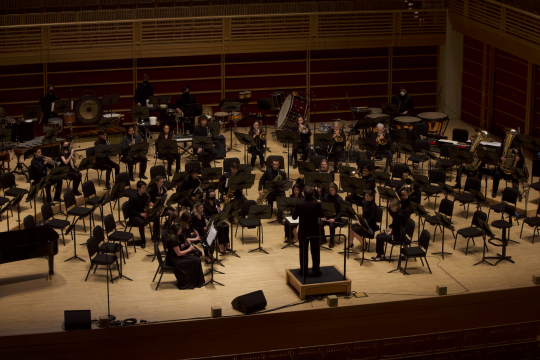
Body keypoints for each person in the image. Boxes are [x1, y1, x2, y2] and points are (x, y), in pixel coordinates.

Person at [292, 186, 326, 276]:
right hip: (314, 230)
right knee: (315, 251)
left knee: (303, 252)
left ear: (304, 194)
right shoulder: (317, 204)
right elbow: (322, 215)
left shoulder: (299, 204)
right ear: (312, 194)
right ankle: (316, 271)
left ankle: (303, 271)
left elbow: (294, 217)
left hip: (303, 231)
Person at [166, 222, 204, 290]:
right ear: (176, 230)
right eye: (180, 230)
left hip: (175, 256)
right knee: (196, 260)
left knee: (196, 259)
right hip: (174, 260)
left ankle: (196, 281)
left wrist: (185, 245)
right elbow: (179, 253)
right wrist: (189, 249)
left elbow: (177, 247)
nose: (181, 231)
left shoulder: (173, 235)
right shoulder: (173, 239)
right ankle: (192, 281)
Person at [203, 189, 232, 254]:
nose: (213, 196)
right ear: (208, 196)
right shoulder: (205, 204)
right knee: (221, 227)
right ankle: (220, 244)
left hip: (217, 219)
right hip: (210, 221)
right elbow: (205, 216)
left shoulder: (216, 201)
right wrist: (214, 218)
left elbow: (218, 212)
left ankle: (226, 243)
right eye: (212, 195)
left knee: (226, 225)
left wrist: (220, 211)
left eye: (214, 195)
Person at [127, 181, 152, 249]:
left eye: (145, 188)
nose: (145, 189)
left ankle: (155, 236)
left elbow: (146, 202)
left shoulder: (144, 195)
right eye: (143, 188)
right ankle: (143, 241)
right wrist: (140, 214)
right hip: (133, 216)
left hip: (141, 213)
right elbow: (130, 210)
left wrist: (149, 204)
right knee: (141, 222)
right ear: (138, 188)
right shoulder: (133, 197)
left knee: (154, 215)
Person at [320, 183, 343, 248]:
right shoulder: (327, 196)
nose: (331, 192)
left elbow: (341, 212)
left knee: (332, 225)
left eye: (333, 190)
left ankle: (331, 241)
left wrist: (334, 219)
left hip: (336, 218)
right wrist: (323, 216)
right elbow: (323, 208)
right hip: (328, 216)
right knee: (320, 223)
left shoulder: (339, 199)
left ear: (336, 190)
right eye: (330, 190)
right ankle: (323, 239)